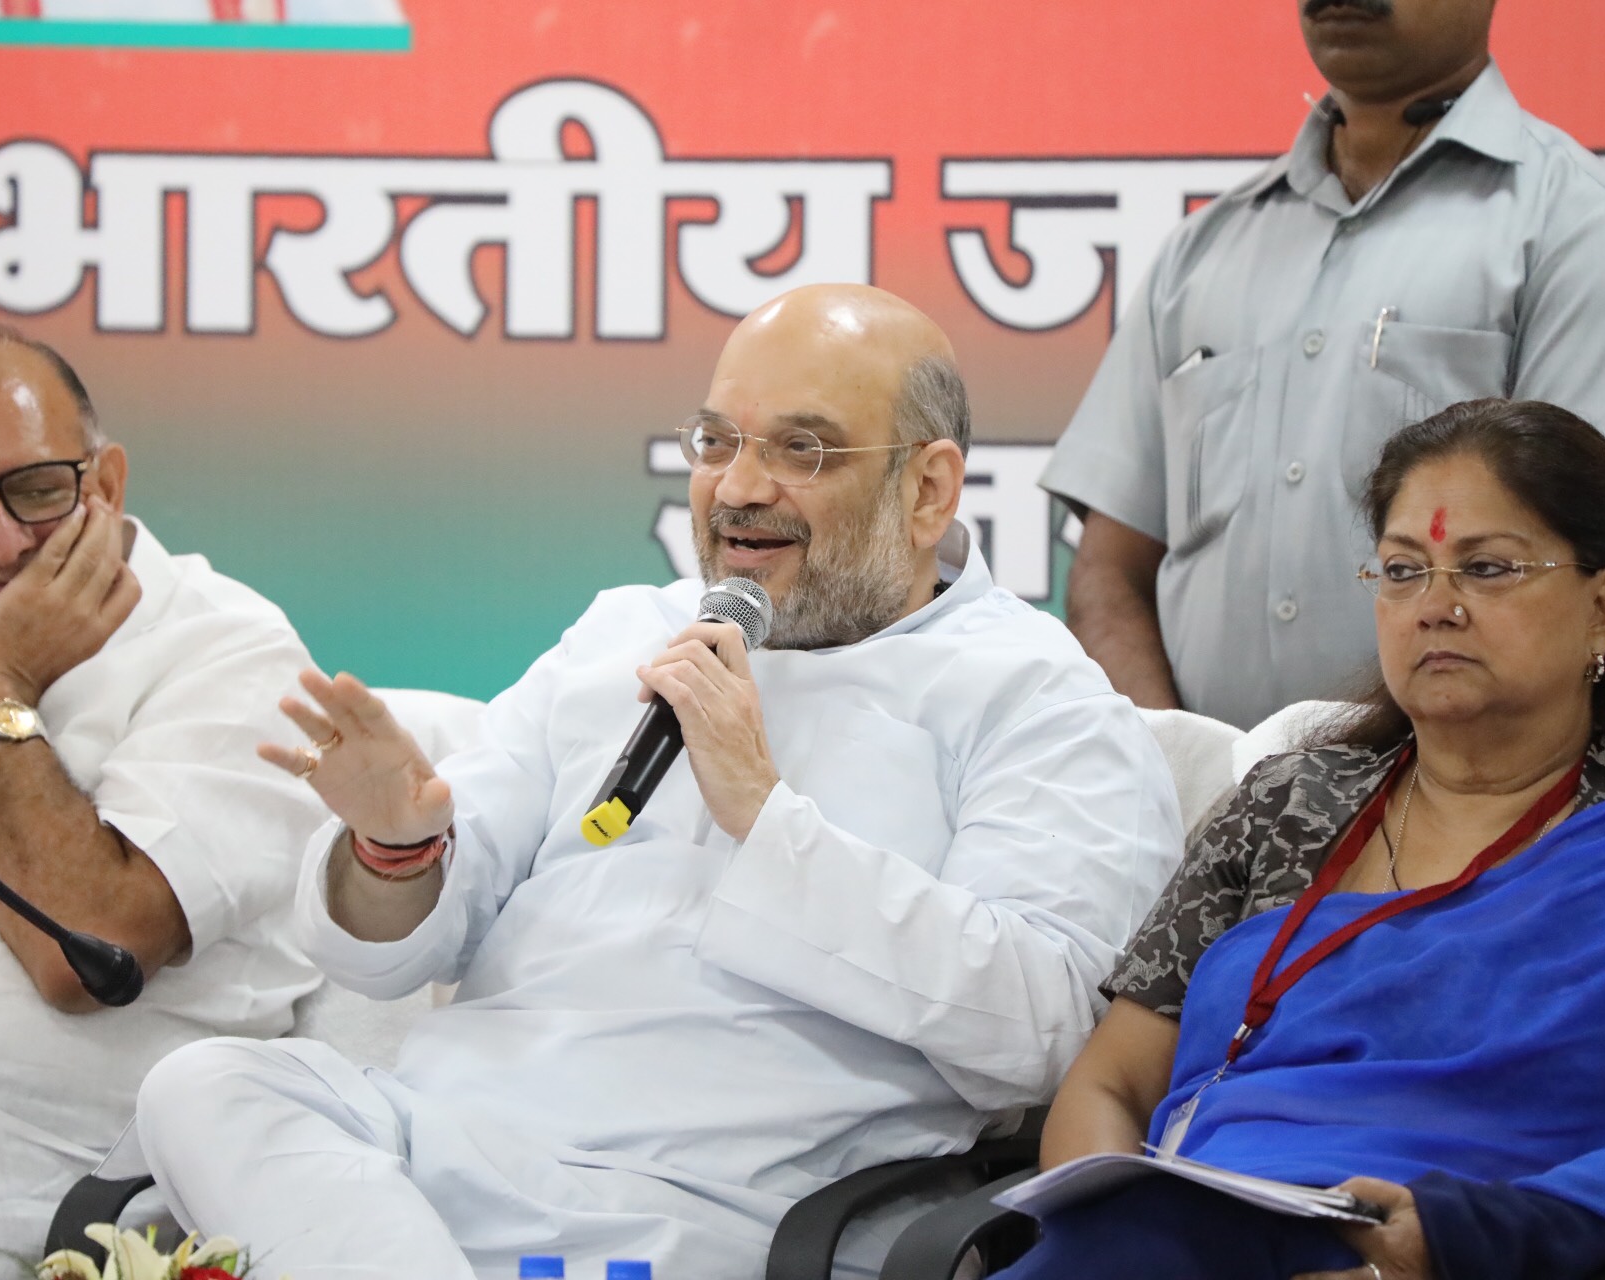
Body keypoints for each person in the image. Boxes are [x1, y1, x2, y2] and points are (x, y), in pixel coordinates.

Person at [133, 284, 1186, 1279]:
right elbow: (404, 939)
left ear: (929, 488)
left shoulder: (1040, 697)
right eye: (716, 441)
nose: (736, 488)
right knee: (205, 1085)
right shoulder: (623, 629)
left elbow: (1040, 1031)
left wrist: (766, 818)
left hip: (696, 1200)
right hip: (428, 1150)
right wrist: (395, 846)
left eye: (800, 449)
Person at [1011, 399, 1605, 1280]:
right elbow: (1110, 1085)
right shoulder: (1287, 804)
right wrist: (1109, 1212)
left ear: (1601, 606)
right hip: (1179, 1240)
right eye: (1403, 570)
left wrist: (1458, 1241)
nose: (1437, 606)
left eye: (1488, 568)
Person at [0, 325, 325, 1280]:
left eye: (38, 489)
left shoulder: (234, 659)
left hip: (55, 1242)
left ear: (108, 485)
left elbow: (83, 951)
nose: (1, 541)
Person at [1042, 0, 1605, 729]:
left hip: (1459, 818)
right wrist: (1176, 773)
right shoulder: (1200, 252)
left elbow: (1561, 569)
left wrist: (1363, 801)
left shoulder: (1589, 227)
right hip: (1207, 823)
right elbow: (1109, 569)